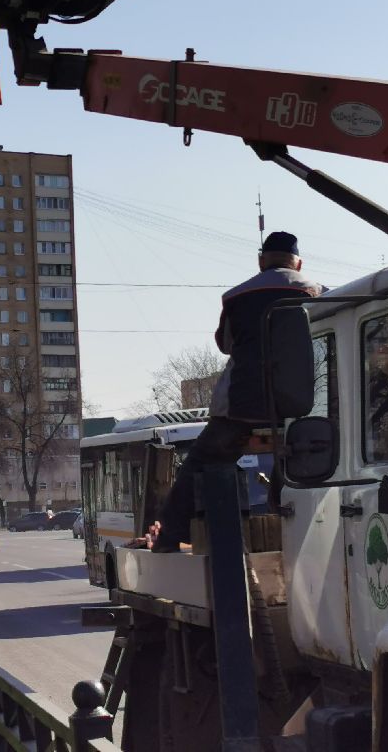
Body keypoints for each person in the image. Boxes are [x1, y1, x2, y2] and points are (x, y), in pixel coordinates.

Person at [153, 231, 322, 552]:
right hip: (307, 406)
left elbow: (226, 344)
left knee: (202, 463)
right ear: (298, 262)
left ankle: (170, 536)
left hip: (243, 406)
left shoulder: (236, 297)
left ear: (261, 260)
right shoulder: (317, 293)